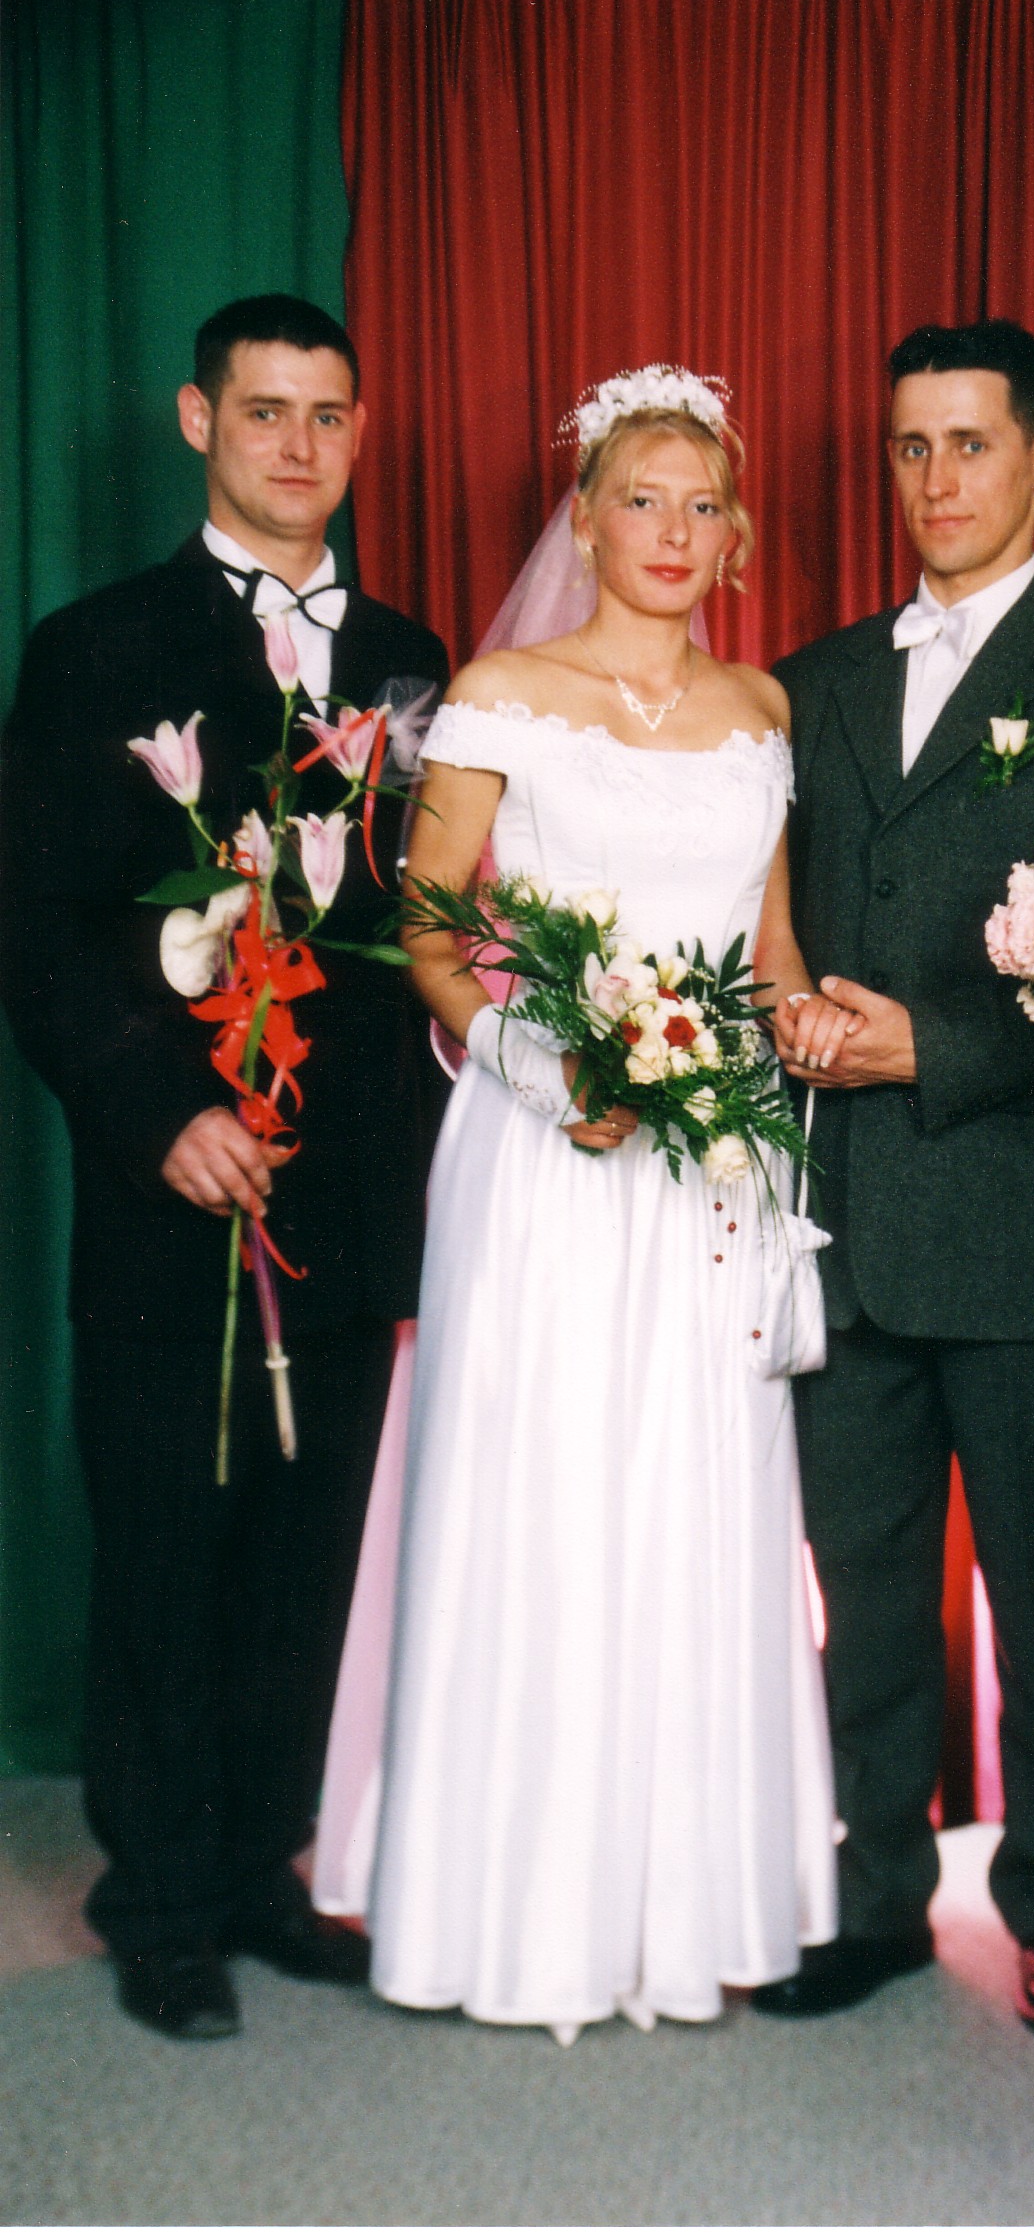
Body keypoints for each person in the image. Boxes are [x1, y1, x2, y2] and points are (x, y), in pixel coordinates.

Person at [353, 370, 838, 2041]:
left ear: (736, 533)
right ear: (585, 517)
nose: (674, 532)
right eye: (643, 498)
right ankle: (510, 1918)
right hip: (546, 1150)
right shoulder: (504, 694)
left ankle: (687, 1909)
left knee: (698, 1494)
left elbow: (769, 952)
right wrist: (543, 1061)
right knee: (544, 1489)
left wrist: (796, 1046)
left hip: (714, 1164)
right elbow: (428, 923)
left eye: (704, 505)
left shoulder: (763, 709)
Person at [0, 295, 449, 2040]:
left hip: (341, 1192)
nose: (298, 445)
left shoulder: (408, 656)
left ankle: (263, 1867)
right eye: (265, 411)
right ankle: (161, 1901)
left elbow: (423, 921)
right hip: (167, 1189)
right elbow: (37, 931)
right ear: (199, 420)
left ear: (360, 430)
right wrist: (157, 1115)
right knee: (166, 1554)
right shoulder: (92, 647)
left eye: (327, 415)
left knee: (302, 1554)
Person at [756, 319, 1034, 2034]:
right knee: (862, 1586)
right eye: (911, 447)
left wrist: (924, 1049)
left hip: (1028, 1223)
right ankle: (877, 1897)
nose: (937, 478)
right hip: (847, 1216)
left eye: (971, 442)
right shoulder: (813, 678)